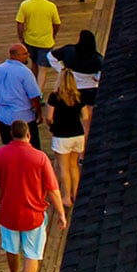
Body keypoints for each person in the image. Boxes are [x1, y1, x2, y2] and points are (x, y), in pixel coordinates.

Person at [0, 119, 67, 272]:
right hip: (33, 216)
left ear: (11, 135)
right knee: (32, 254)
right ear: (28, 135)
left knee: (11, 249)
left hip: (9, 214)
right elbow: (53, 190)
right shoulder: (40, 158)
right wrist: (61, 213)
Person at [45, 68, 88, 206]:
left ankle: (66, 197)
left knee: (64, 168)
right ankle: (76, 194)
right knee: (74, 166)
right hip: (77, 134)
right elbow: (86, 116)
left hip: (61, 135)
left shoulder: (54, 97)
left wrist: (51, 123)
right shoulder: (79, 96)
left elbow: (49, 117)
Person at [49, 29, 105, 133]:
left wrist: (62, 70)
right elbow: (102, 71)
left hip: (73, 88)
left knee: (73, 117)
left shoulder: (69, 51)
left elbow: (50, 56)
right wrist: (96, 78)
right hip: (91, 90)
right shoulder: (97, 58)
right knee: (87, 123)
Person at [0, 44, 43, 148]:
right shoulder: (25, 73)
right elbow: (34, 96)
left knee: (8, 147)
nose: (28, 55)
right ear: (14, 55)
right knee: (32, 148)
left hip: (4, 116)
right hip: (23, 117)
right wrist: (39, 113)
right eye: (25, 53)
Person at [15, 0, 61, 84]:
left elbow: (20, 23)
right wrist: (53, 34)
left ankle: (32, 86)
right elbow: (57, 23)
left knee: (34, 63)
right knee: (43, 68)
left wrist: (21, 36)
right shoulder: (51, 6)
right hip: (46, 42)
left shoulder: (25, 5)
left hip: (30, 40)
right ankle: (39, 93)